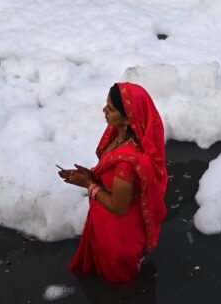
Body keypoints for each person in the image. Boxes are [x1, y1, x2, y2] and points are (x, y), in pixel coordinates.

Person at [58, 82, 168, 283]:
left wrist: (89, 185)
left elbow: (119, 207)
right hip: (105, 223)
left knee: (118, 290)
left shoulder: (127, 163)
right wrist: (91, 175)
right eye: (106, 104)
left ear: (127, 120)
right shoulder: (118, 136)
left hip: (118, 237)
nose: (104, 110)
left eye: (111, 108)